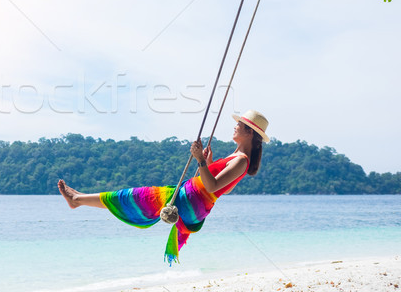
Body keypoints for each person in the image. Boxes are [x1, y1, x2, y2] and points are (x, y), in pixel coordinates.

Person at [58, 110, 270, 264]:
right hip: (190, 199)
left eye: (239, 125)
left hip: (190, 202)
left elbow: (212, 187)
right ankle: (80, 198)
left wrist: (201, 161)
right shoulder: (236, 158)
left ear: (249, 132)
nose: (235, 126)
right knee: (133, 197)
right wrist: (205, 163)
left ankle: (77, 200)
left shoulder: (241, 160)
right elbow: (221, 187)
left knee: (132, 197)